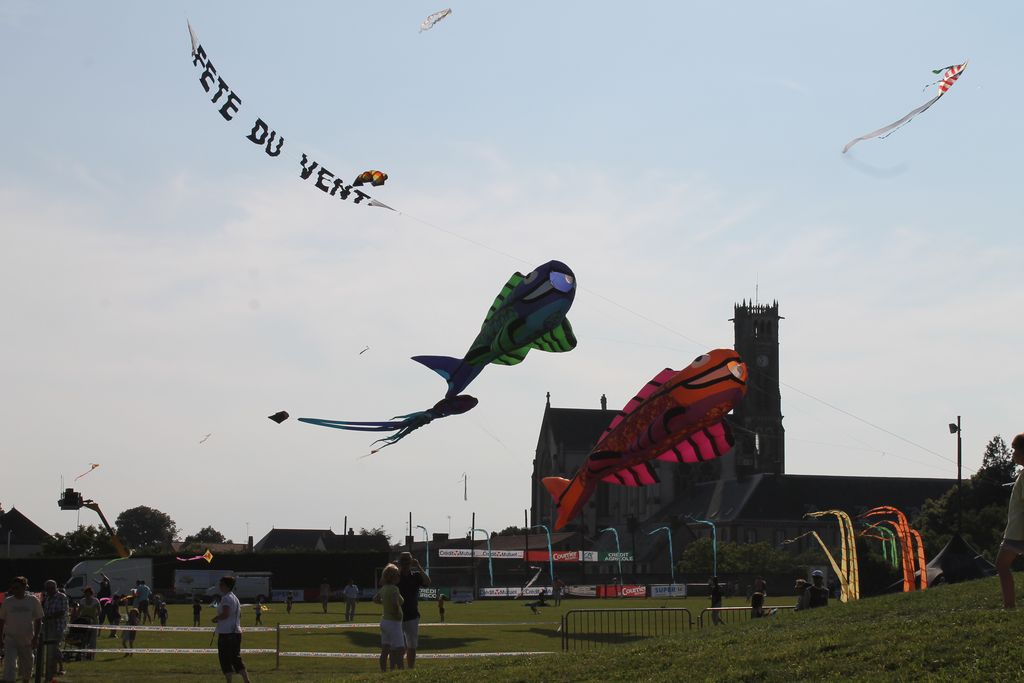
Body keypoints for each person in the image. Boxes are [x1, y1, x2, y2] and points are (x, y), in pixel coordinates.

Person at [997, 433, 1024, 608]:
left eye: (1015, 450)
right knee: (1002, 565)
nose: (1013, 454)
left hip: (1018, 532)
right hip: (1016, 530)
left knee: (1001, 564)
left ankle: (1009, 606)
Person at [0, 576, 43, 683]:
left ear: (24, 587)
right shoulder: (8, 602)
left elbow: (38, 619)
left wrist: (36, 637)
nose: (15, 590)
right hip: (11, 638)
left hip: (27, 638)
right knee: (10, 664)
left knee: (27, 665)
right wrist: (0, 638)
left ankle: (25, 680)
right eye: (13, 588)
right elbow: (1, 620)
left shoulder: (33, 600)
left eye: (17, 587)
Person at [212, 576, 252, 683]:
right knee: (236, 658)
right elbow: (239, 615)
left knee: (224, 658)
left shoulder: (226, 598)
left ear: (227, 586)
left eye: (221, 584)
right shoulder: (235, 598)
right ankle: (246, 680)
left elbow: (226, 614)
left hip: (226, 633)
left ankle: (229, 681)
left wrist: (216, 618)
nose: (219, 586)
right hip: (236, 632)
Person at [396, 551, 431, 669]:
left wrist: (419, 567)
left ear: (411, 562)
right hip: (397, 616)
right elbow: (383, 582)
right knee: (398, 646)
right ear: (400, 562)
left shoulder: (416, 576)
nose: (405, 564)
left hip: (412, 615)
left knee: (412, 645)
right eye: (403, 561)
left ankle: (410, 669)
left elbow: (427, 582)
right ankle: (399, 669)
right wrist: (394, 568)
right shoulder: (395, 576)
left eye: (407, 561)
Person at [373, 563, 404, 672]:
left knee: (385, 649)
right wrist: (397, 614)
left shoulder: (383, 588)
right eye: (398, 575)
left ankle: (384, 672)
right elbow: (395, 604)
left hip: (384, 621)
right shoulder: (394, 589)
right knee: (400, 649)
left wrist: (385, 603)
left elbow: (375, 599)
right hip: (393, 623)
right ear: (394, 577)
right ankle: (400, 671)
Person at [41, 579, 68, 679]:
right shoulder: (47, 598)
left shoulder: (62, 597)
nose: (49, 590)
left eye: (50, 588)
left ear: (55, 587)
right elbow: (45, 611)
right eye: (47, 588)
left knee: (55, 647)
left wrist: (49, 617)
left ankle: (61, 667)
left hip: (59, 626)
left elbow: (62, 612)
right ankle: (52, 669)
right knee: (50, 648)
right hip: (48, 626)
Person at [77, 586, 101, 659]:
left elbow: (99, 611)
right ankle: (83, 653)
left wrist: (96, 616)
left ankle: (91, 654)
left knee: (93, 639)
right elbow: (79, 611)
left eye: (88, 594)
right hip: (84, 621)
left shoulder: (96, 601)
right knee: (84, 638)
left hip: (94, 621)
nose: (87, 595)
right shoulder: (82, 601)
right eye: (86, 594)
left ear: (91, 594)